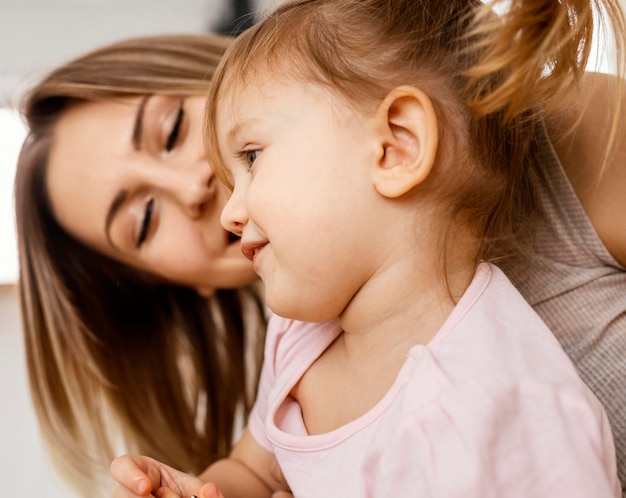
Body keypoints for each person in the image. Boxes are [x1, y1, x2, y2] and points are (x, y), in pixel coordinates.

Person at [109, 0, 625, 496]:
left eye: (251, 157)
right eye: (144, 220)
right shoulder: (297, 340)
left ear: (396, 146)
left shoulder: (491, 404)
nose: (228, 210)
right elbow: (259, 472)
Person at [14, 33, 268, 497]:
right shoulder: (292, 394)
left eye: (171, 130)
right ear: (175, 283)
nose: (194, 187)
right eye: (145, 220)